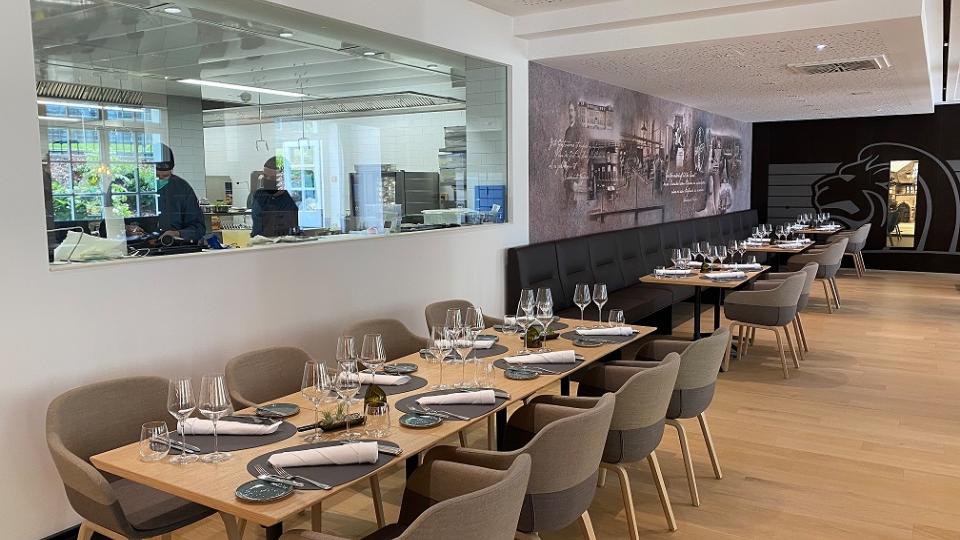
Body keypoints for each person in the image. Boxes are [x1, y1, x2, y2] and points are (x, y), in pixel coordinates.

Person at [152, 144, 205, 242]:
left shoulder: (182, 188)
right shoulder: (130, 187)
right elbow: (116, 225)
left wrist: (178, 233)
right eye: (156, 176)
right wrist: (127, 229)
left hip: (173, 249)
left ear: (171, 170)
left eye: (165, 176)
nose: (159, 180)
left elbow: (198, 227)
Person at [250, 157, 299, 237]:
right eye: (265, 176)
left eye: (273, 178)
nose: (268, 180)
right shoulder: (259, 195)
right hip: (258, 244)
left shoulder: (288, 202)